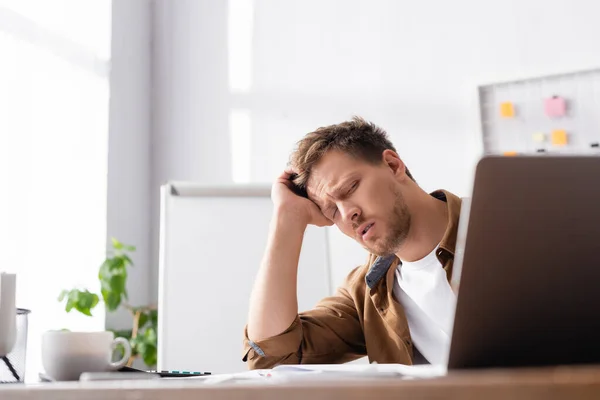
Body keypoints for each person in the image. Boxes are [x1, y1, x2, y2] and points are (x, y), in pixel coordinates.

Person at [243, 116, 462, 369]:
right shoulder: (366, 293)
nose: (347, 214)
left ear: (392, 165)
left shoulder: (503, 221)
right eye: (332, 211)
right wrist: (287, 217)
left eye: (350, 188)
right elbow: (270, 356)